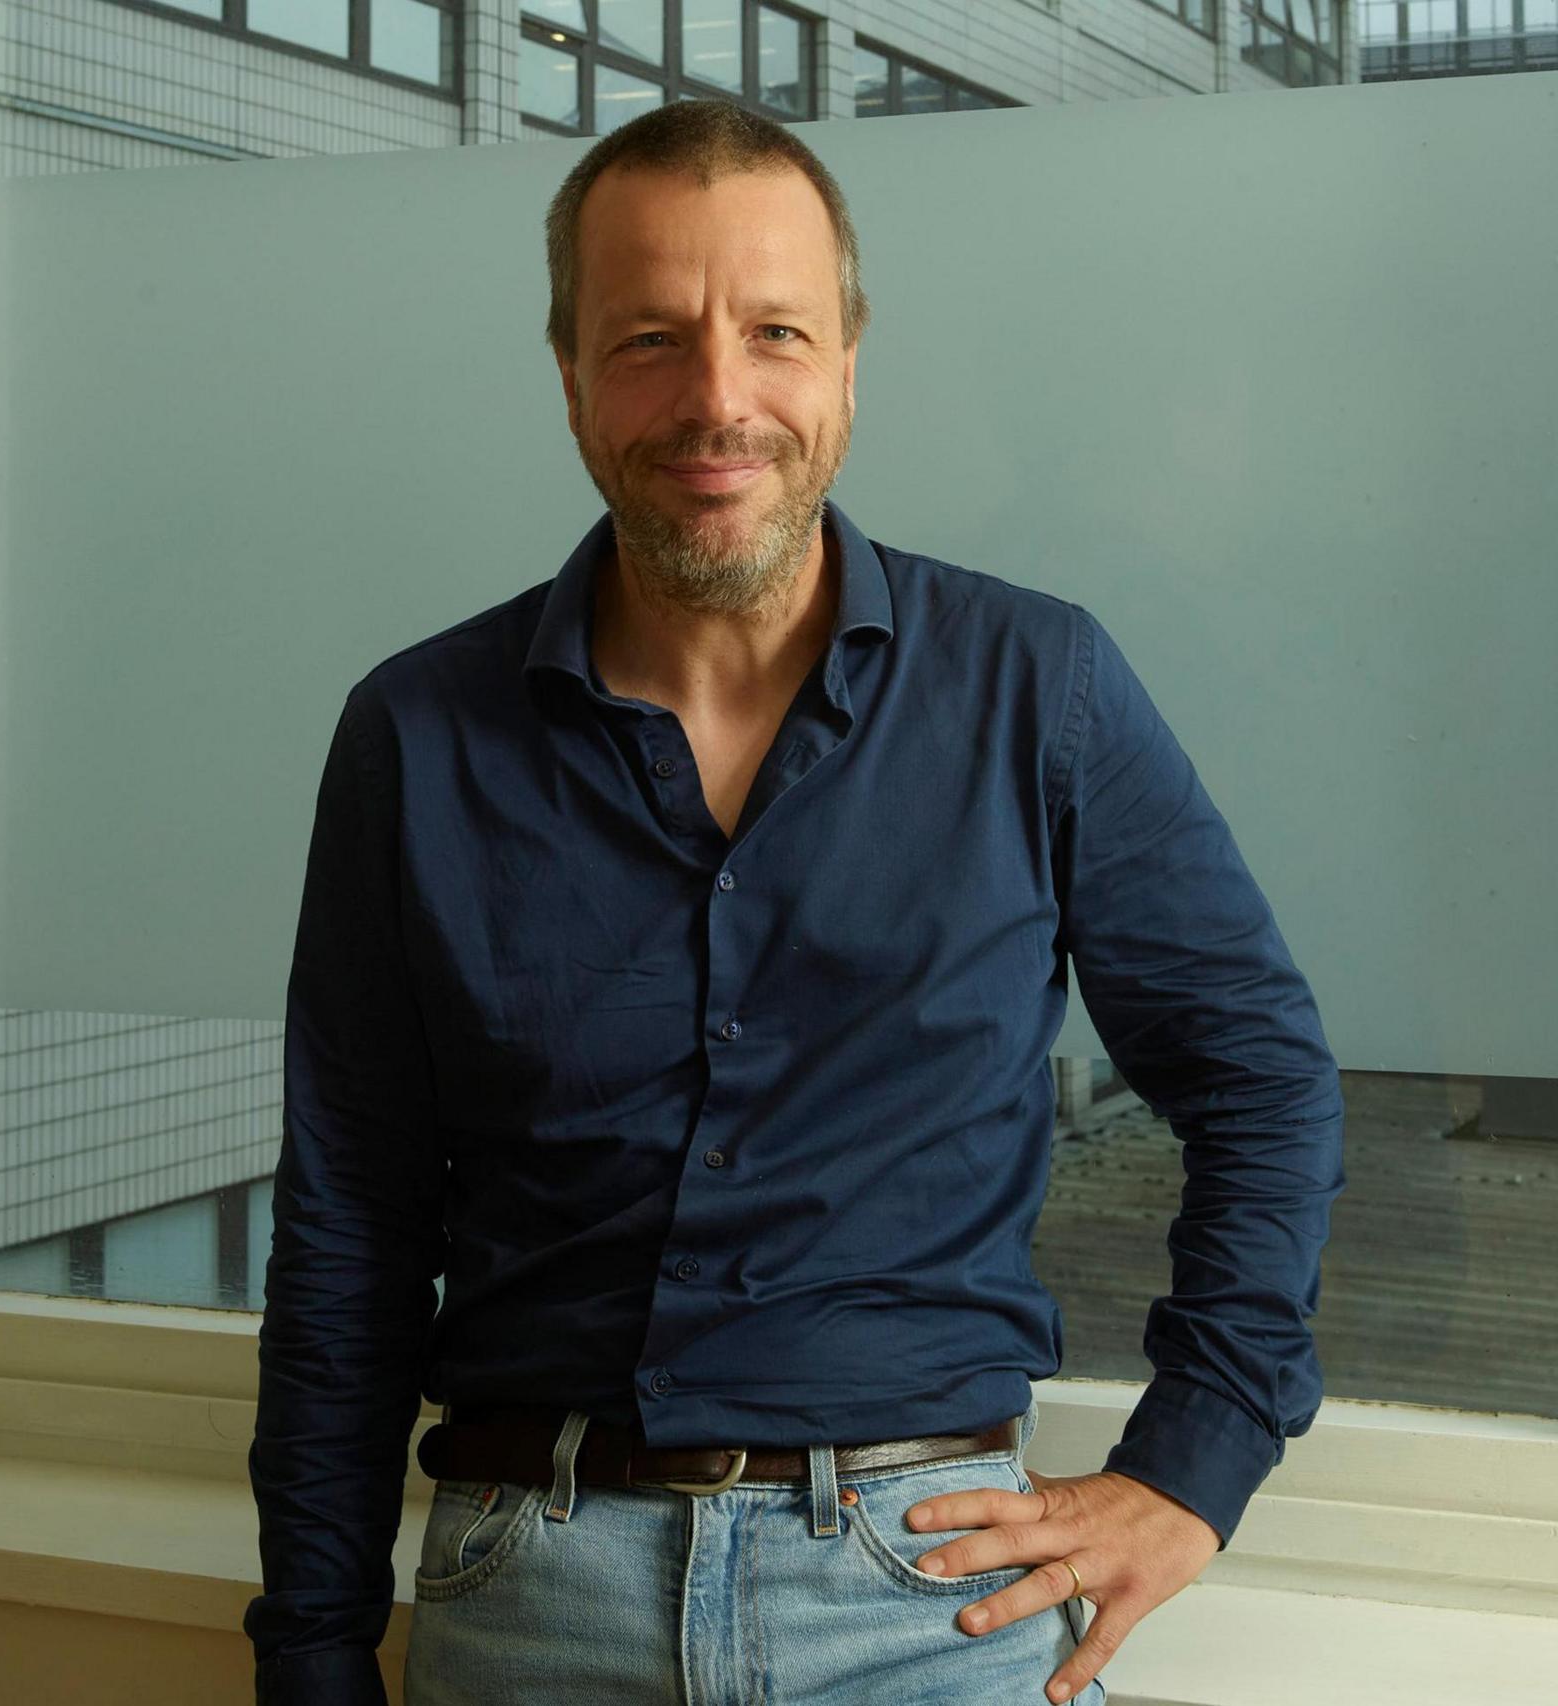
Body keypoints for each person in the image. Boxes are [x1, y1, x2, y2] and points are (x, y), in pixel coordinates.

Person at [241, 97, 1345, 1706]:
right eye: (648, 338)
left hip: (936, 1604)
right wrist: (316, 1648)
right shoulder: (414, 738)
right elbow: (348, 1226)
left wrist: (1195, 1459)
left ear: (847, 362)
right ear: (567, 374)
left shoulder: (1042, 688)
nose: (717, 398)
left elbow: (1263, 1077)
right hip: (529, 1590)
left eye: (774, 331)